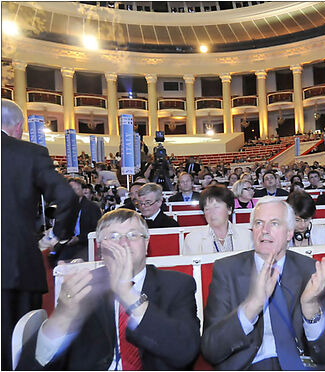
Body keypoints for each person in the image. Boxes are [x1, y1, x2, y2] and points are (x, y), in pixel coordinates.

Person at [19, 209, 201, 370]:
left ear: (146, 244)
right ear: (100, 248)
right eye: (113, 237)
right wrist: (63, 315)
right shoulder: (82, 287)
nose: (123, 243)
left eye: (132, 235)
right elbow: (29, 366)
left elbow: (184, 353)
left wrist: (127, 293)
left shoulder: (177, 285)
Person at [200, 197, 325, 369]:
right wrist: (252, 306)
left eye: (274, 223)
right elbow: (212, 349)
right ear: (252, 230)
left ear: (289, 233)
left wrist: (310, 310)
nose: (264, 230)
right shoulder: (227, 270)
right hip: (249, 365)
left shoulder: (308, 269)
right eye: (258, 223)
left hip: (300, 363)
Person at [1, 99, 80, 370]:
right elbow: (67, 197)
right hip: (18, 265)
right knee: (20, 346)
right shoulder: (29, 153)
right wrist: (57, 236)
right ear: (18, 126)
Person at [184, 185, 252, 254]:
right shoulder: (192, 239)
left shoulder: (247, 236)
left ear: (229, 209)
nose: (211, 212)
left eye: (216, 207)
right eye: (207, 209)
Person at [56, 177, 103, 261]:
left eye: (75, 189)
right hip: (68, 243)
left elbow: (97, 229)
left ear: (82, 191)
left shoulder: (92, 207)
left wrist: (79, 238)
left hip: (86, 244)